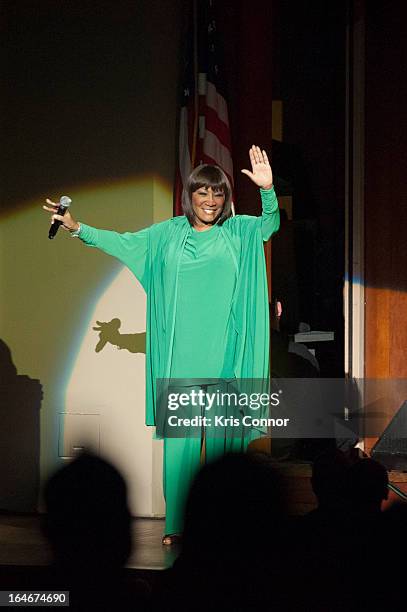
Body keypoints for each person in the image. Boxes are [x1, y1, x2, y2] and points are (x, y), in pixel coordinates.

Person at [43, 145, 280, 544]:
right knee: (180, 454)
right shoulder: (168, 234)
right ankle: (178, 524)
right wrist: (78, 228)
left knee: (225, 455)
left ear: (225, 199)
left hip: (227, 361)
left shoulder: (239, 231)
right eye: (202, 193)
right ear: (190, 196)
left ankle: (225, 526)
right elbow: (122, 243)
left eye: (217, 193)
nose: (209, 200)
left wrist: (269, 190)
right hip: (182, 360)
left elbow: (269, 224)